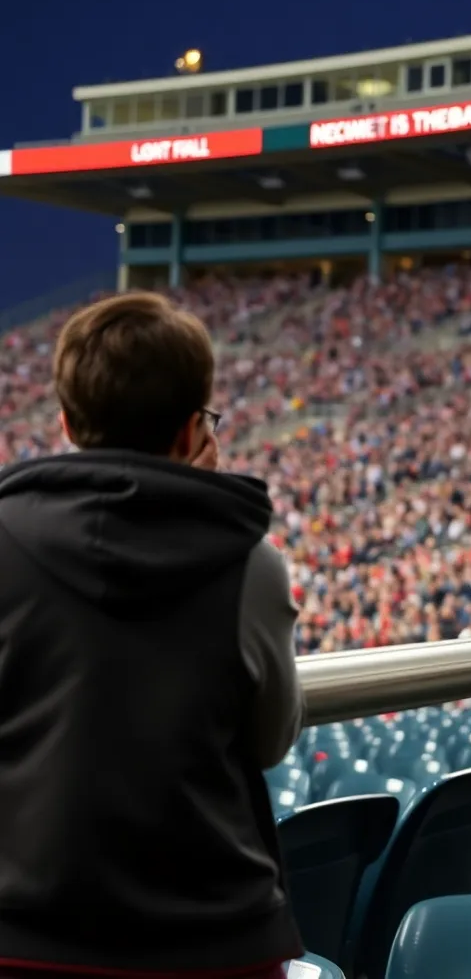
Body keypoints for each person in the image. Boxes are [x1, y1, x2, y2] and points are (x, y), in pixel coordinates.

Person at [0, 293, 304, 977]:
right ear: (193, 430)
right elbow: (271, 739)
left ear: (66, 422)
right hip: (214, 941)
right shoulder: (251, 563)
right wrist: (200, 511)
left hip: (24, 934)